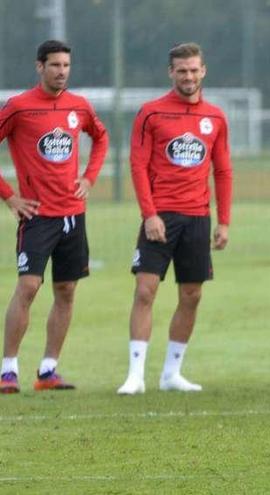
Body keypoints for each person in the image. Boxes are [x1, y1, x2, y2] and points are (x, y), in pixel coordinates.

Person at [117, 42, 232, 395]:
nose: (189, 76)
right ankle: (135, 375)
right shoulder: (151, 114)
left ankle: (171, 373)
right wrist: (149, 214)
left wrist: (223, 220)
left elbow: (223, 170)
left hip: (198, 217)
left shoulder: (215, 117)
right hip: (161, 216)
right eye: (182, 71)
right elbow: (137, 165)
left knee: (192, 294)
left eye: (194, 70)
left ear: (203, 71)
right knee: (145, 290)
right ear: (171, 73)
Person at [0, 40, 108, 394]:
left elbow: (101, 138)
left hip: (73, 215)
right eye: (55, 65)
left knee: (66, 290)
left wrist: (89, 177)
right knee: (29, 286)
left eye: (66, 65)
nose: (62, 71)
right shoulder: (18, 107)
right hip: (37, 216)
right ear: (39, 67)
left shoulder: (79, 106)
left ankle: (48, 370)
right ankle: (8, 370)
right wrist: (10, 196)